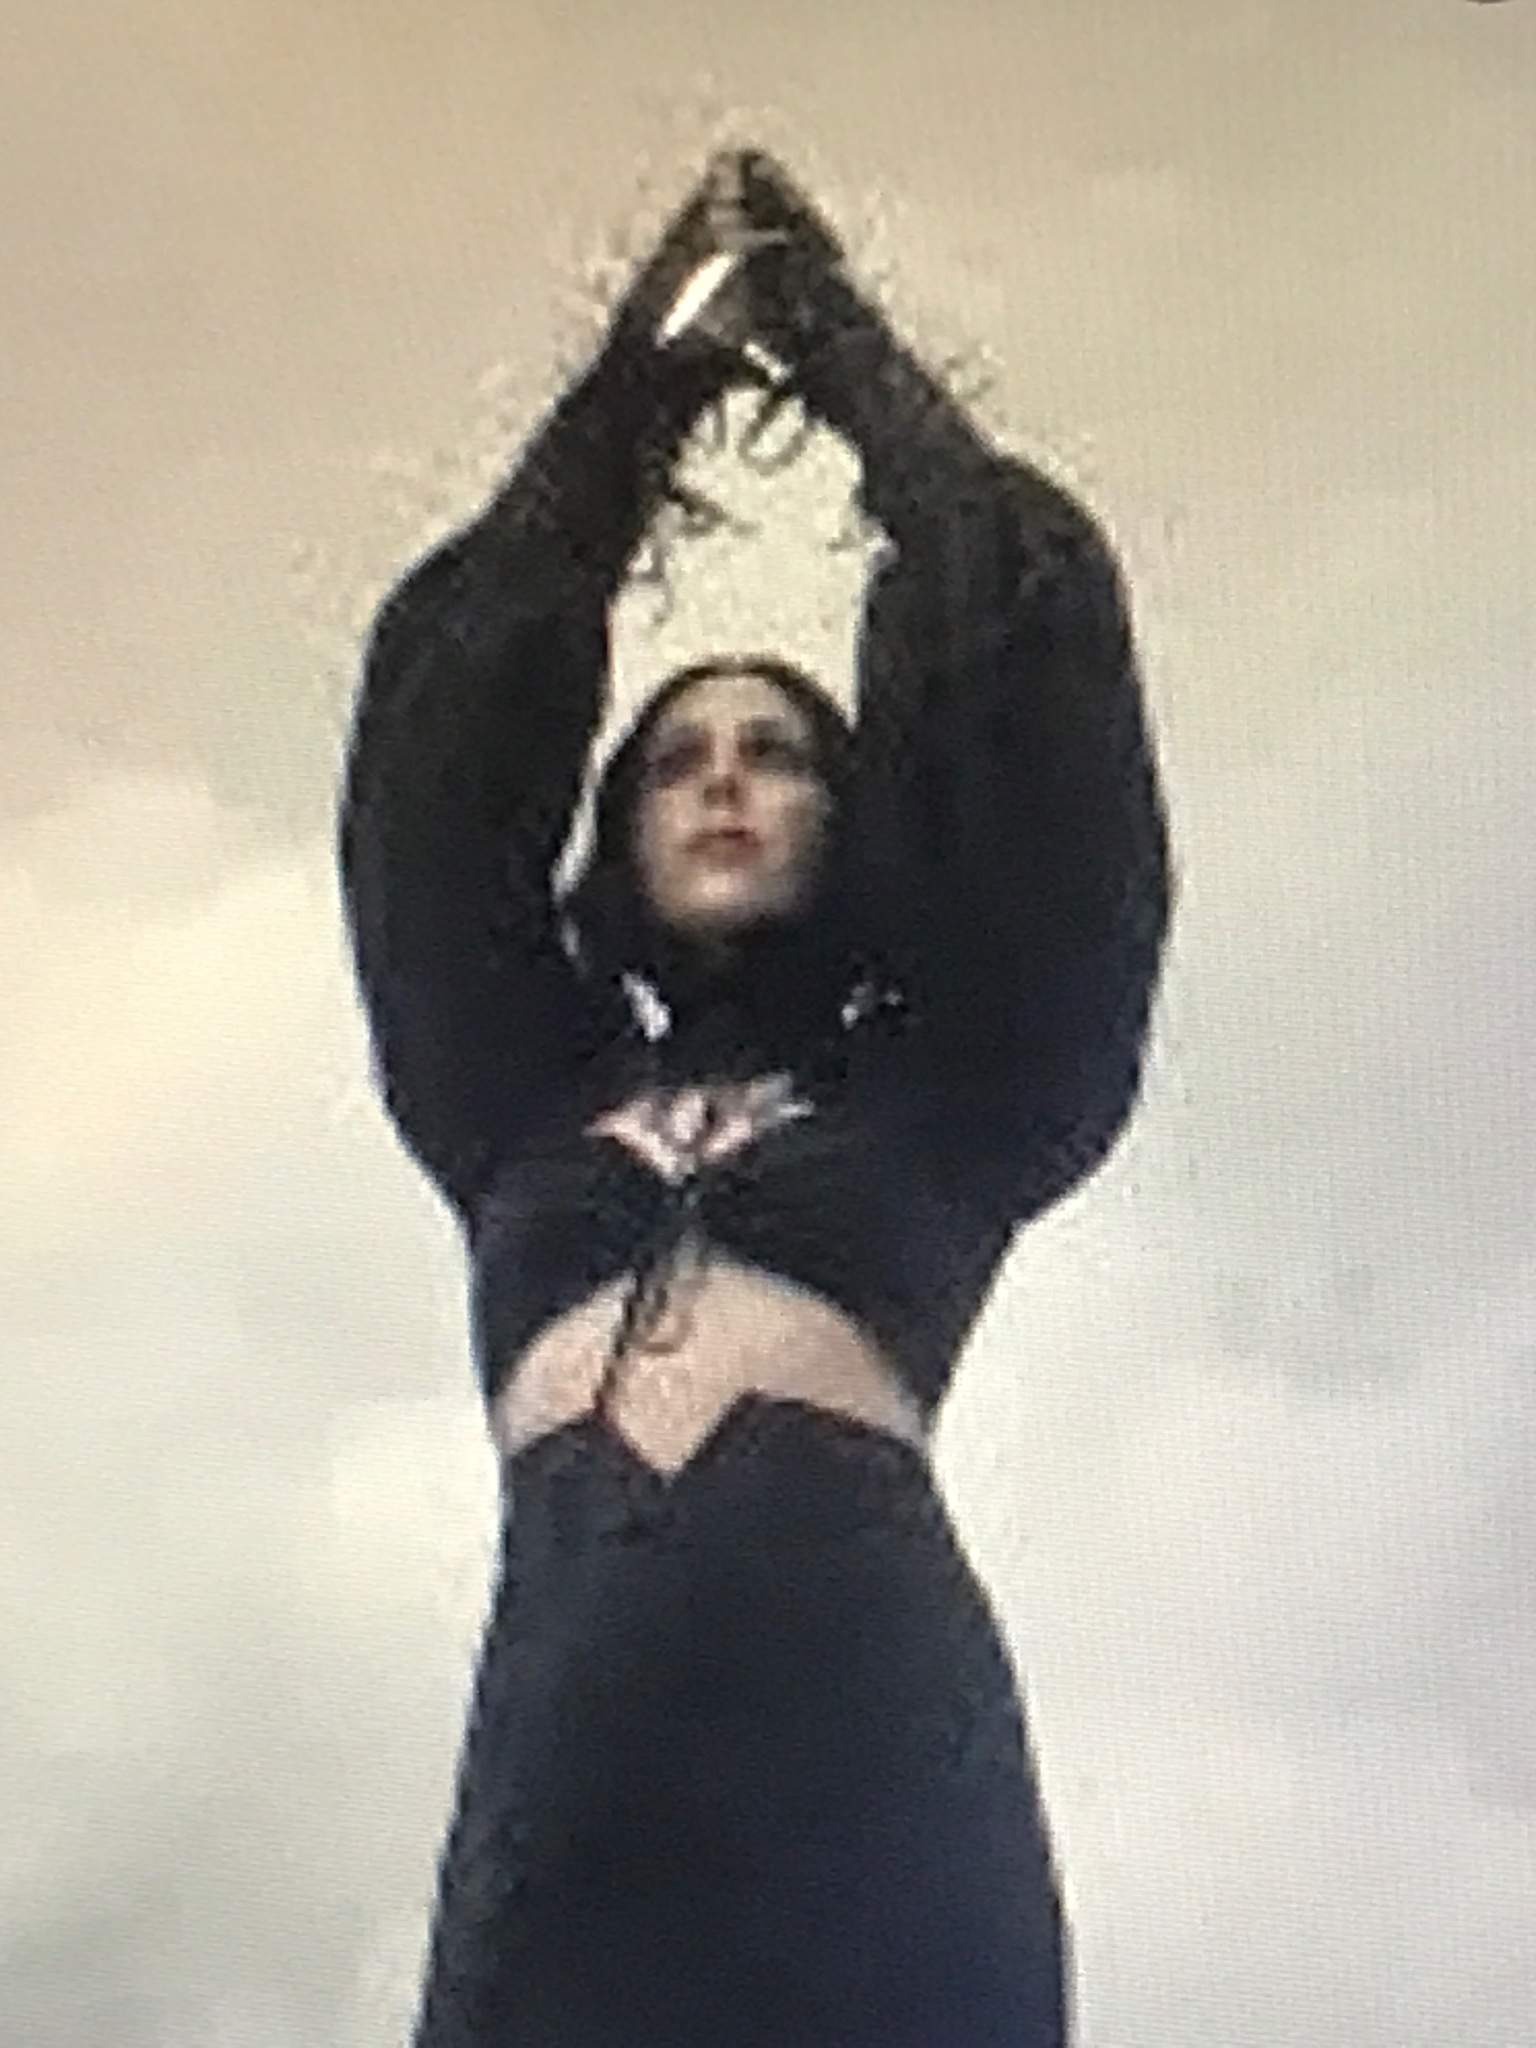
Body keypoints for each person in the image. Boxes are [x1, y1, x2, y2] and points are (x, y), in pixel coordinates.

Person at [339, 149, 1171, 2048]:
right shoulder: (514, 1097)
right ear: (622, 829)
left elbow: (1024, 648)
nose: (723, 780)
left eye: (777, 752)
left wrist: (839, 350)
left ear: (845, 816)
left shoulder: (950, 1093)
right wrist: (638, 399)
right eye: (677, 758)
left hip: (866, 1758)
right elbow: (436, 766)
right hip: (557, 1773)